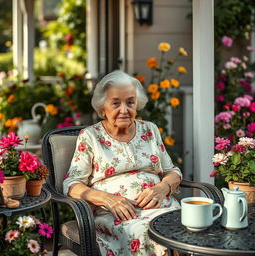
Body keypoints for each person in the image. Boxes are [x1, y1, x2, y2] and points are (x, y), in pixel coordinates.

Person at [63, 70, 182, 256]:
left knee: (189, 225)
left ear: (137, 104)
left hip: (162, 207)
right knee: (146, 233)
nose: (124, 110)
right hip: (118, 215)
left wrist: (162, 188)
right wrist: (107, 199)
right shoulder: (90, 137)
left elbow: (172, 171)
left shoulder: (149, 130)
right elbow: (72, 184)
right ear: (103, 108)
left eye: (130, 102)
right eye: (116, 103)